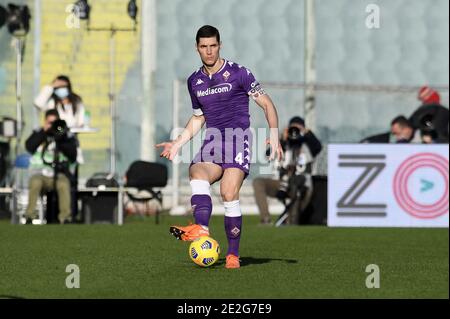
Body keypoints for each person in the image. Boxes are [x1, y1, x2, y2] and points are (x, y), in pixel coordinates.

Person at [156, 25, 283, 269]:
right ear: (197, 48)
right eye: (204, 47)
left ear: (219, 45)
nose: (209, 51)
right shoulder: (194, 81)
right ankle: (201, 229)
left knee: (228, 193)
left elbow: (267, 104)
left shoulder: (239, 73)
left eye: (213, 46)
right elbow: (198, 118)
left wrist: (274, 134)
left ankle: (233, 254)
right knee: (196, 172)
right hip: (212, 140)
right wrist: (178, 143)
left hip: (238, 140)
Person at [253, 116, 322, 225]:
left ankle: (291, 221)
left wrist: (306, 133)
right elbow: (268, 155)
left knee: (296, 184)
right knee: (258, 182)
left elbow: (318, 147)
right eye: (292, 128)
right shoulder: (284, 144)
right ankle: (265, 220)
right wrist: (282, 140)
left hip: (302, 184)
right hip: (281, 183)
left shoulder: (308, 145)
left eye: (297, 129)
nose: (294, 132)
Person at [23, 109, 77, 224]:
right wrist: (44, 132)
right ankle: (29, 216)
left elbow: (73, 155)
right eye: (50, 122)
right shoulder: (39, 132)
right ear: (45, 121)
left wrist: (60, 137)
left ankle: (65, 218)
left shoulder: (65, 135)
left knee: (63, 184)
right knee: (35, 182)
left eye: (54, 123)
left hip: (58, 173)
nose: (52, 125)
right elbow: (29, 146)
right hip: (39, 173)